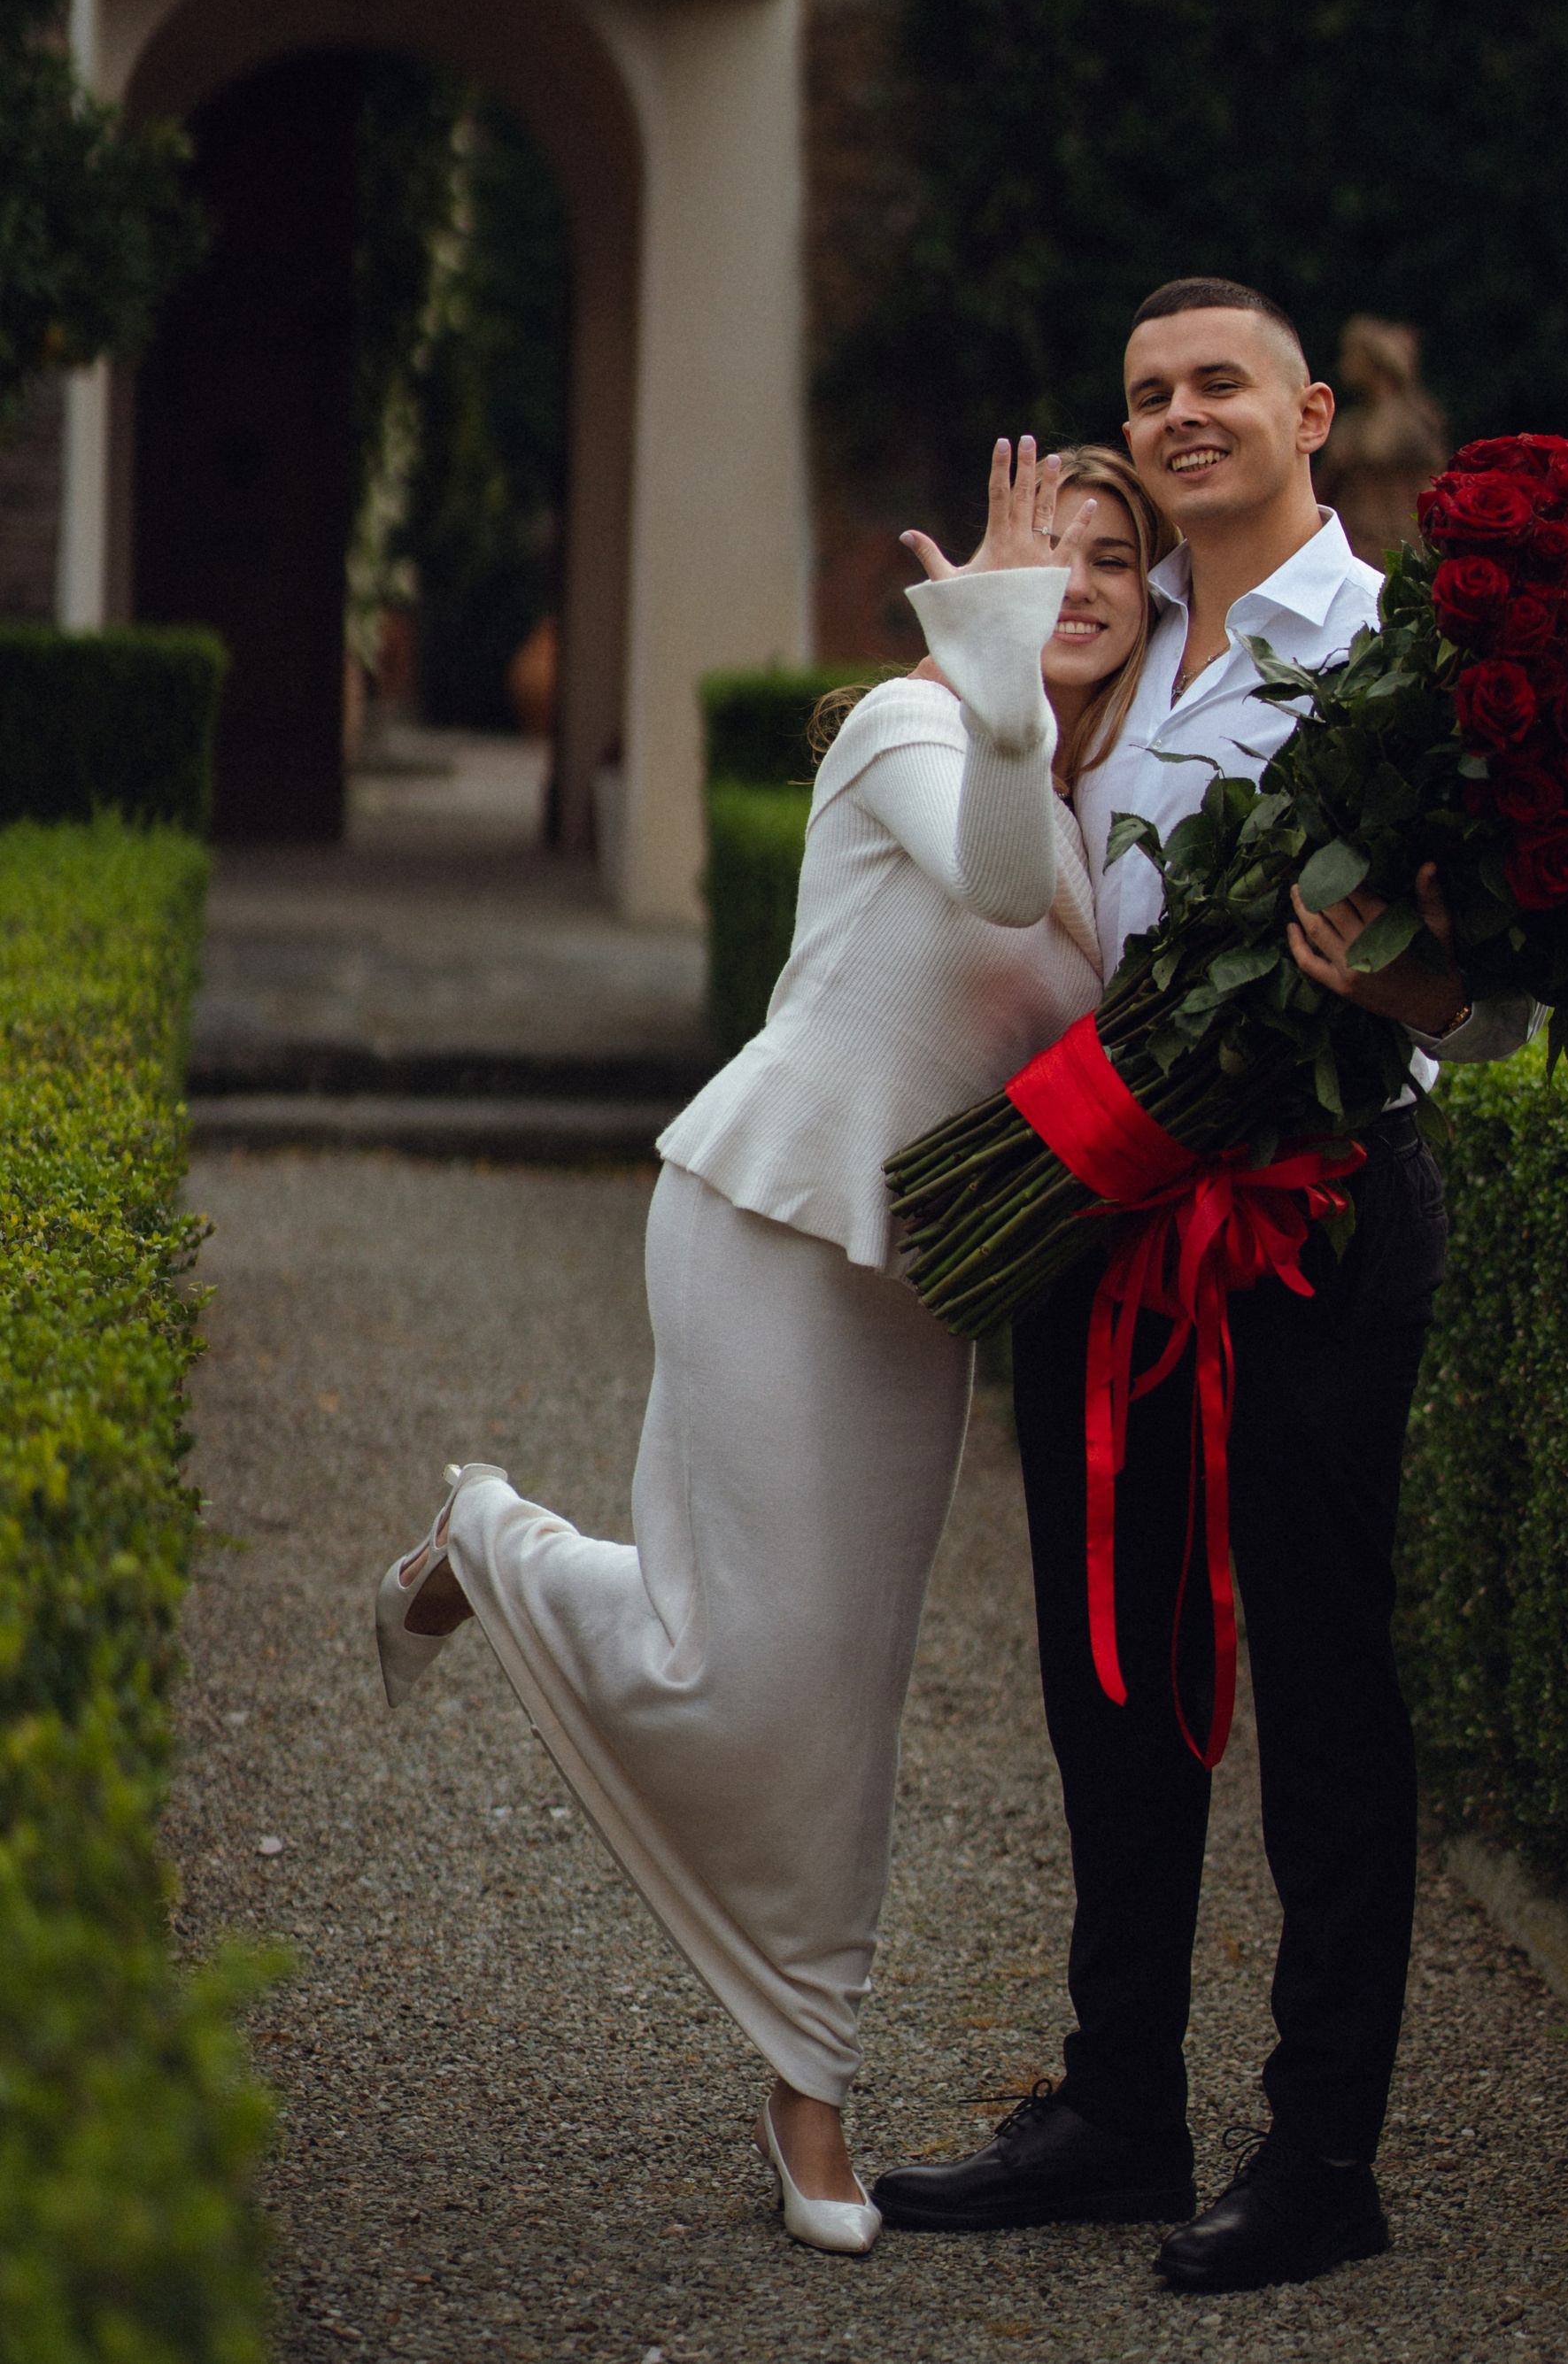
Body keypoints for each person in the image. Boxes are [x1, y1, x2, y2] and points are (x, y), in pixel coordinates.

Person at [373, 438, 1173, 2256]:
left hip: (910, 1292)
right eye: (1064, 537)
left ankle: (805, 2087)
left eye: (1120, 556)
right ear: (992, 568)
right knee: (726, 1674)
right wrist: (980, 628)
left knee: (838, 1716)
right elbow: (972, 870)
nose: (1089, 573)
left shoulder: (1087, 811)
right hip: (757, 1224)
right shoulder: (918, 726)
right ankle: (489, 1540)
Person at [873, 281, 1534, 2292]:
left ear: (1310, 412)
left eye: (1215, 384)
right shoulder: (1125, 633)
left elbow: (1494, 1008)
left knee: (1322, 1682)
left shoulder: (1400, 666)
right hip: (1099, 1209)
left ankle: (1322, 2149)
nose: (1176, 416)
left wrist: (1394, 978)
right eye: (1146, 390)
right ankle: (1118, 2107)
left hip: (1310, 1211)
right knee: (1107, 1669)